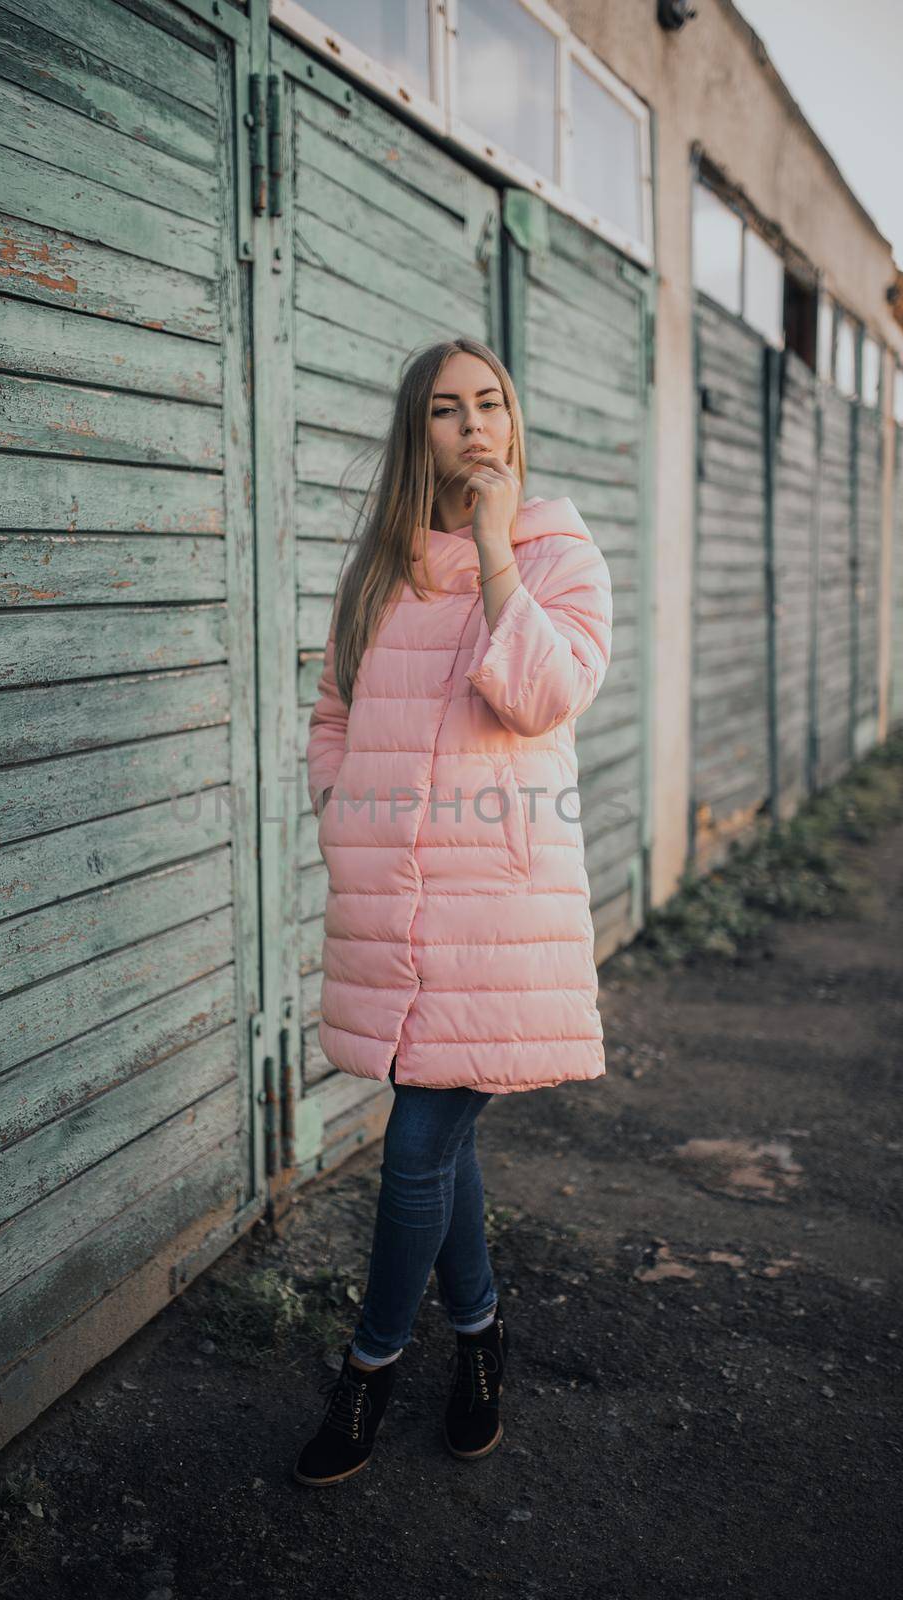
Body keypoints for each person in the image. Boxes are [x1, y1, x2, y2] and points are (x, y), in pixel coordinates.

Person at [293, 336, 613, 1486]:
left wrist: (494, 550)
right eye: (445, 410)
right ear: (415, 431)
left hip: (497, 912)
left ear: (514, 422)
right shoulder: (377, 570)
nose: (472, 425)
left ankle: (369, 1367)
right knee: (445, 1137)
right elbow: (332, 713)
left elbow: (541, 692)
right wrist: (344, 811)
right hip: (395, 903)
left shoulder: (556, 551)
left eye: (490, 404)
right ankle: (479, 1339)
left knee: (420, 1137)